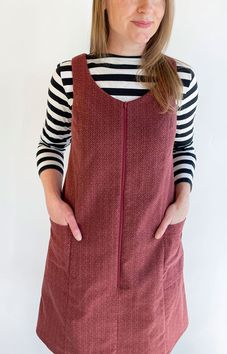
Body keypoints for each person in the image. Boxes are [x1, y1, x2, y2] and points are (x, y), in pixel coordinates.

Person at [35, 1, 199, 353]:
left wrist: (182, 200)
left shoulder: (180, 78)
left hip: (153, 254)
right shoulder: (69, 76)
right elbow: (51, 144)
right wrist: (53, 200)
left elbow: (183, 147)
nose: (147, 8)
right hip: (83, 253)